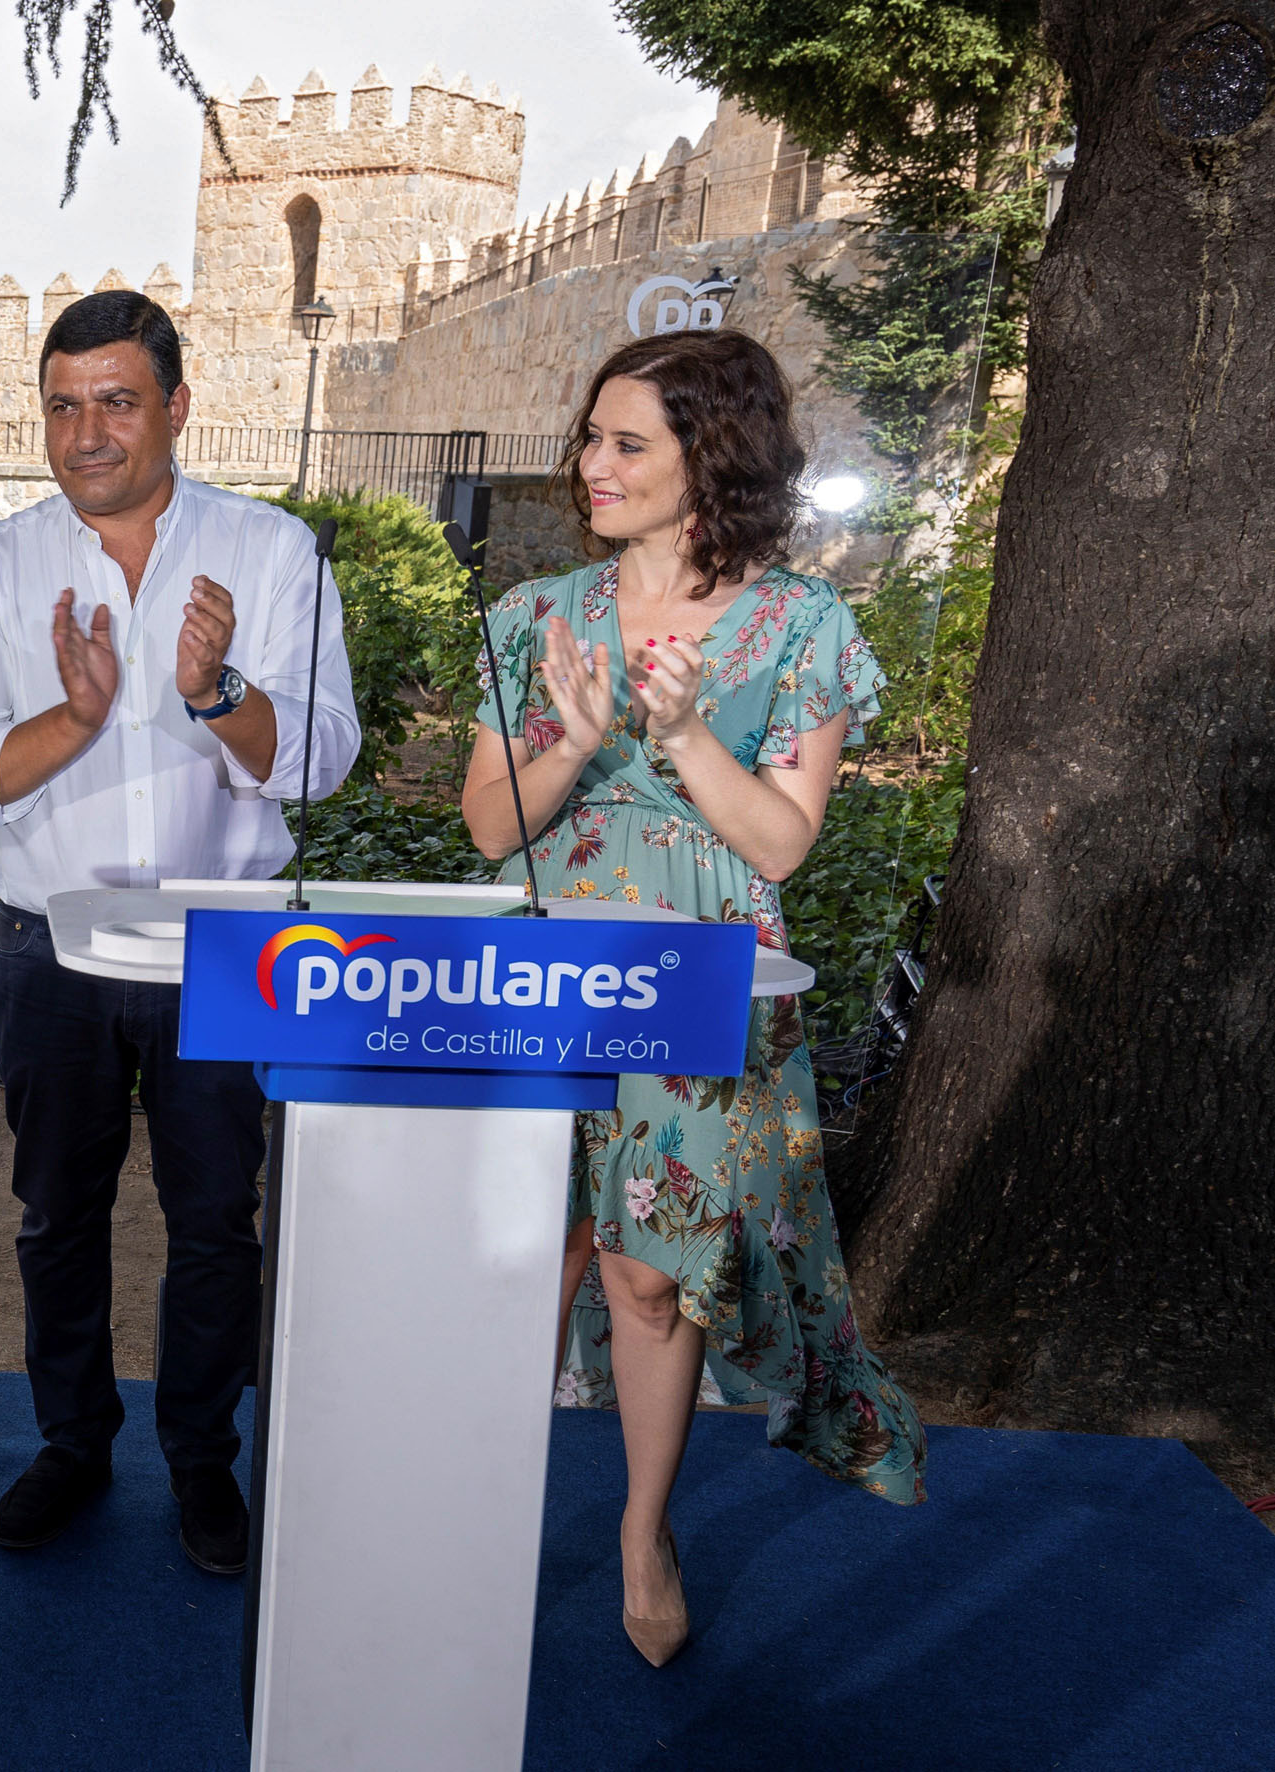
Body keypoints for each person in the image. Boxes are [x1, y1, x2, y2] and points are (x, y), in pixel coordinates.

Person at [460, 328, 927, 1668]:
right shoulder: (534, 618)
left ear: (706, 461)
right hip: (548, 979)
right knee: (527, 1258)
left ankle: (640, 1530)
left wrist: (675, 734)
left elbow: (780, 844)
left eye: (625, 445)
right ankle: (480, 1511)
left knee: (645, 1278)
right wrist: (582, 739)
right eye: (591, 438)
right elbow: (495, 826)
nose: (588, 467)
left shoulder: (805, 628)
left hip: (708, 982)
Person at [0, 289, 359, 1575]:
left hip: (226, 945)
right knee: (55, 1211)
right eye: (62, 404)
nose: (86, 431)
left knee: (217, 1218)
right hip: (46, 943)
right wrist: (73, 721)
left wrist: (215, 693)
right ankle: (70, 1438)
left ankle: (200, 1458)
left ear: (174, 402)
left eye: (115, 400)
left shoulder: (271, 554)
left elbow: (320, 757)